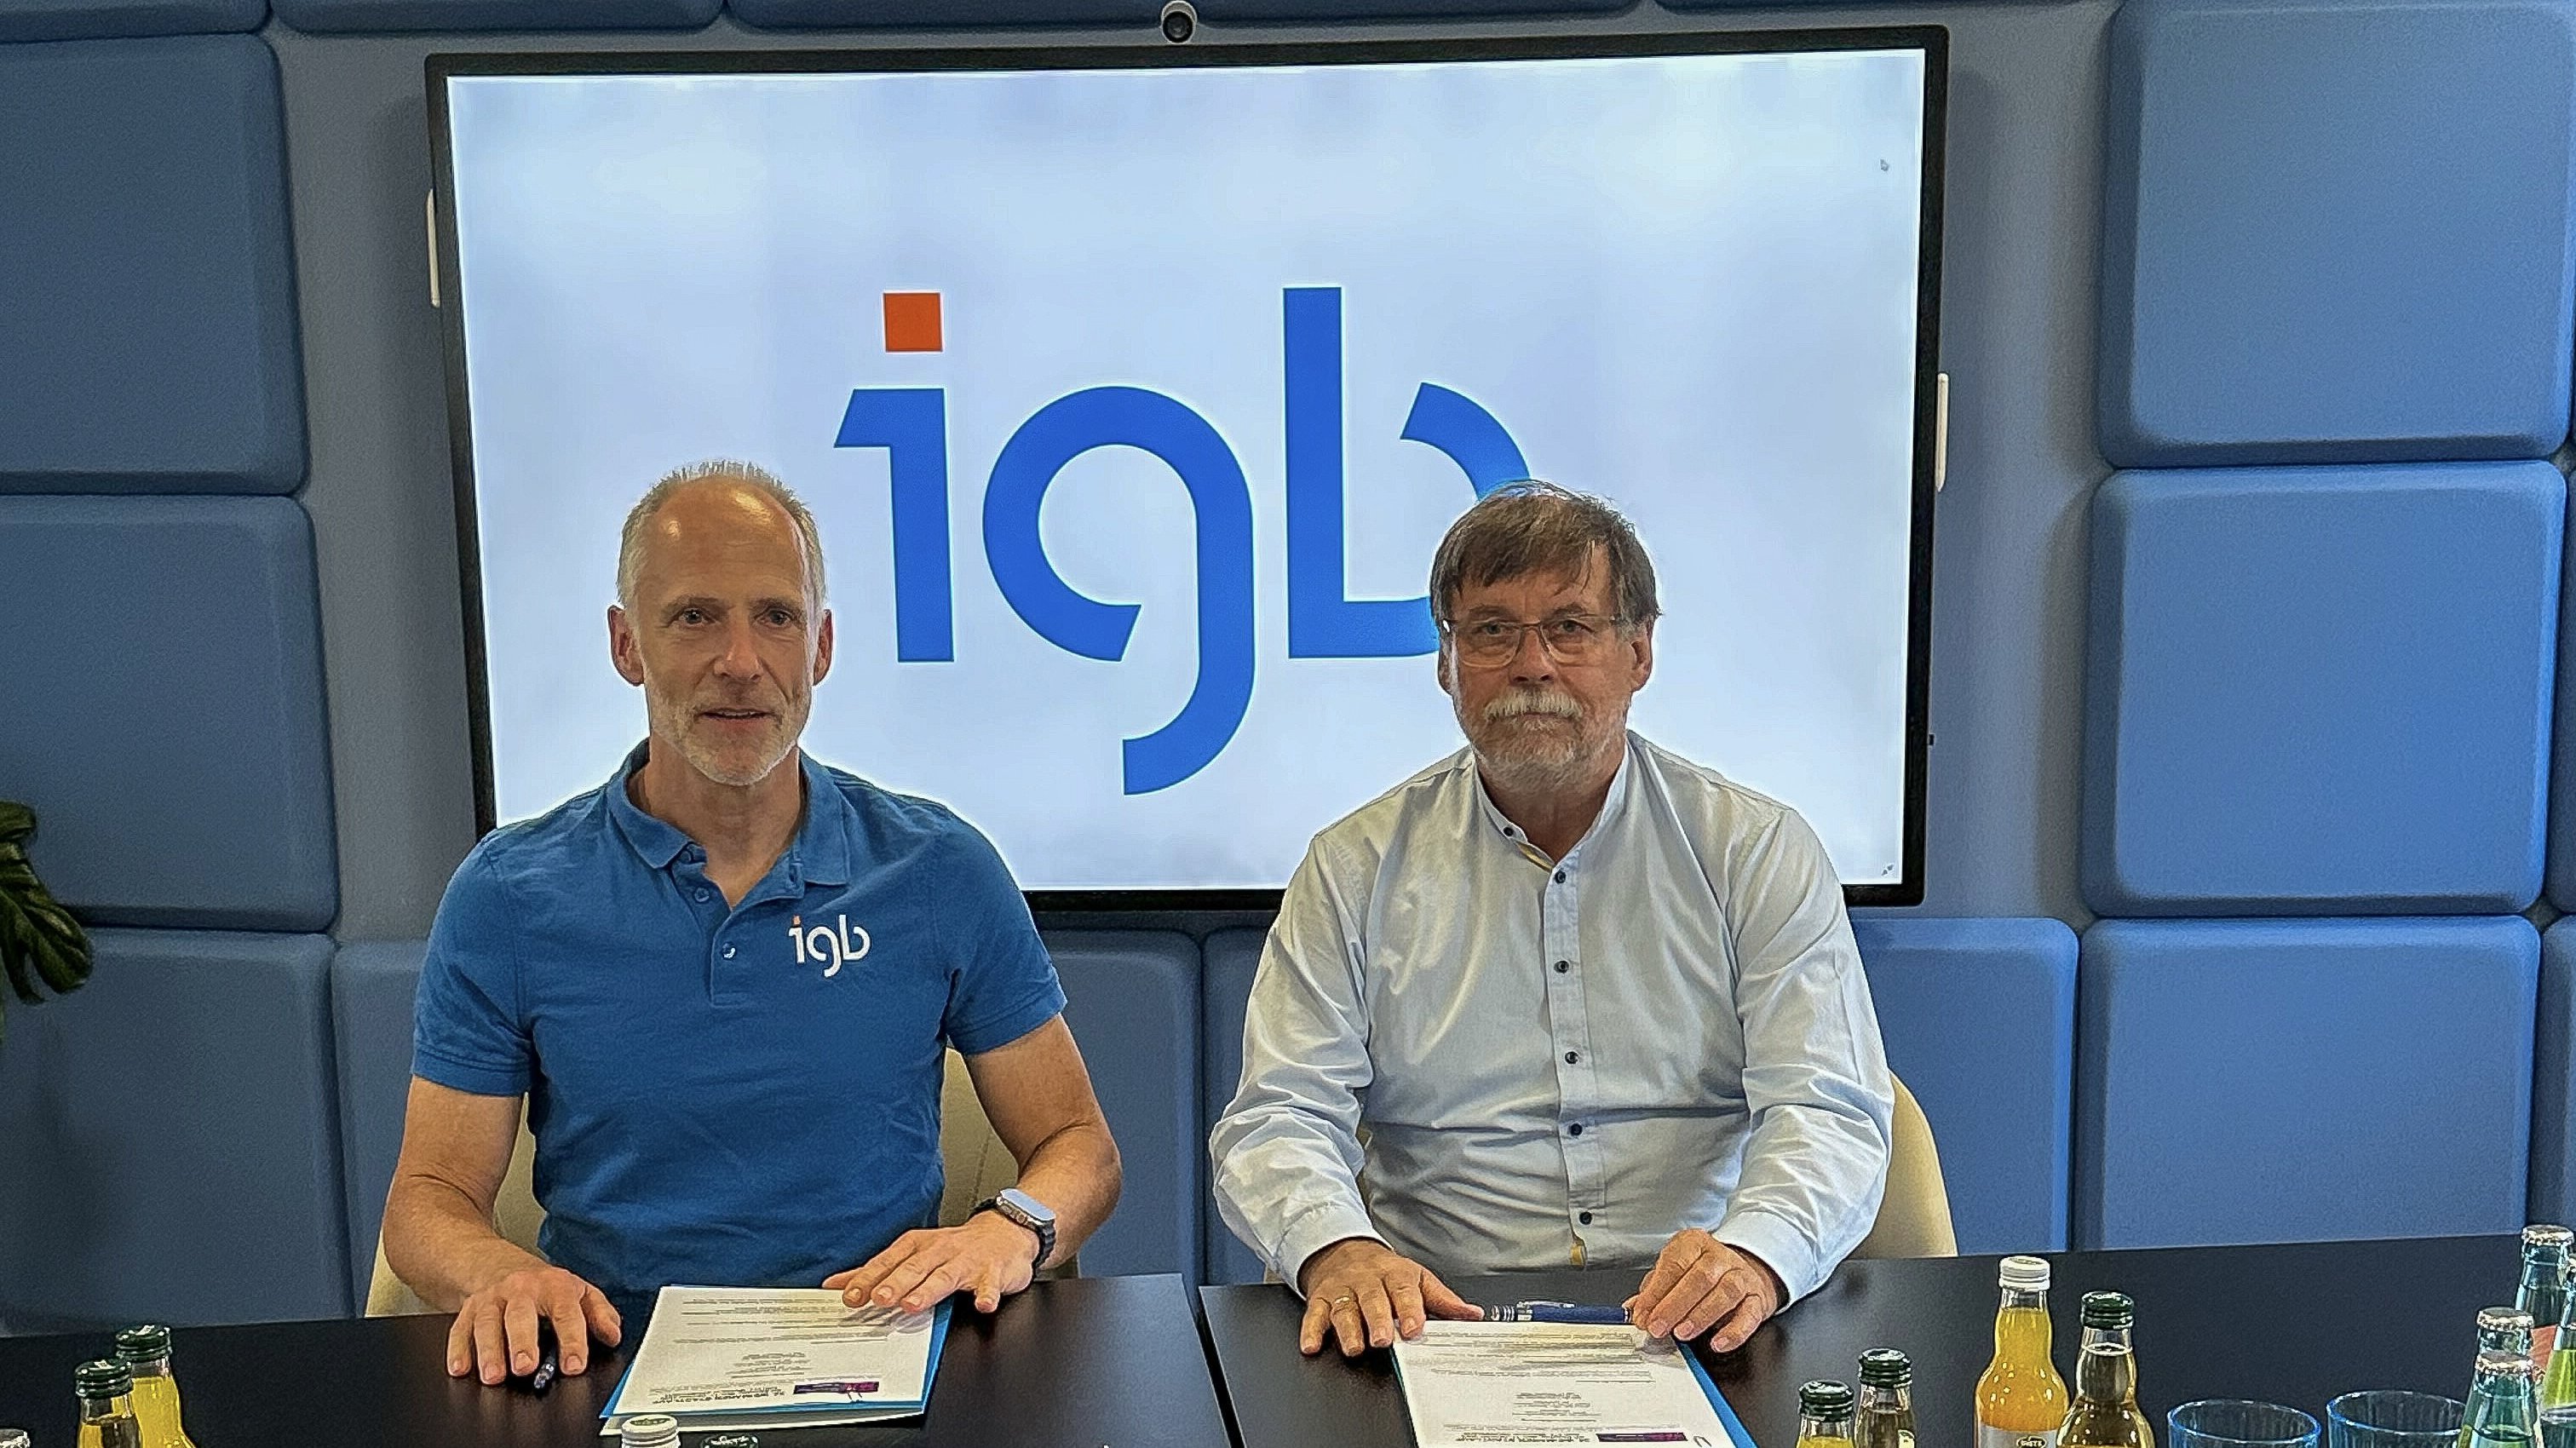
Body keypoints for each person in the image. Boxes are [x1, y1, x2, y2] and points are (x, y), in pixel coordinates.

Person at [384, 461, 1121, 1385]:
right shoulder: (506, 896)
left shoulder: (940, 869)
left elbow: (1080, 1147)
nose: (741, 660)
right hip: (607, 1369)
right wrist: (500, 1273)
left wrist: (1009, 1228)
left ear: (821, 646)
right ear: (626, 644)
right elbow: (430, 1198)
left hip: (882, 1363)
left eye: (776, 616)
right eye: (695, 616)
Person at [1210, 480, 1893, 1359]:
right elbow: (1279, 1113)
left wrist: (1755, 1258)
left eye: (1570, 627)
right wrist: (1341, 1250)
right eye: (1492, 630)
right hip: (1436, 1316)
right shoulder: (1354, 868)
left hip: (1698, 1313)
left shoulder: (1754, 850)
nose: (1532, 664)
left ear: (1639, 652)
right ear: (1446, 662)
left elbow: (1826, 1107)